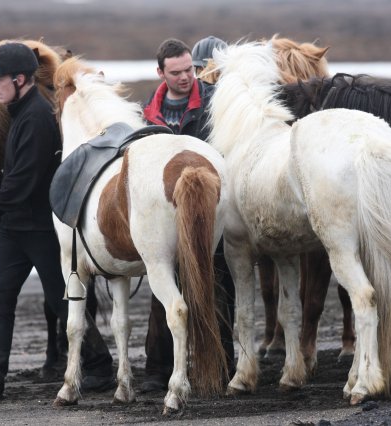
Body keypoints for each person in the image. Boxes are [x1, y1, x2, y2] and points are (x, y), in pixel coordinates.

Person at [0, 42, 114, 401]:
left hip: (40, 227)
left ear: (19, 79)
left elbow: (24, 177)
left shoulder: (36, 116)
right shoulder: (20, 113)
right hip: (17, 227)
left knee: (61, 299)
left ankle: (99, 365)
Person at [140, 37, 235, 393]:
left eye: (189, 70)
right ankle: (157, 369)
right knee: (161, 287)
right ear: (160, 72)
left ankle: (221, 365)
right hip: (165, 210)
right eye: (176, 72)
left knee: (216, 284)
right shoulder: (149, 111)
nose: (185, 78)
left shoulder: (214, 103)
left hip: (210, 206)